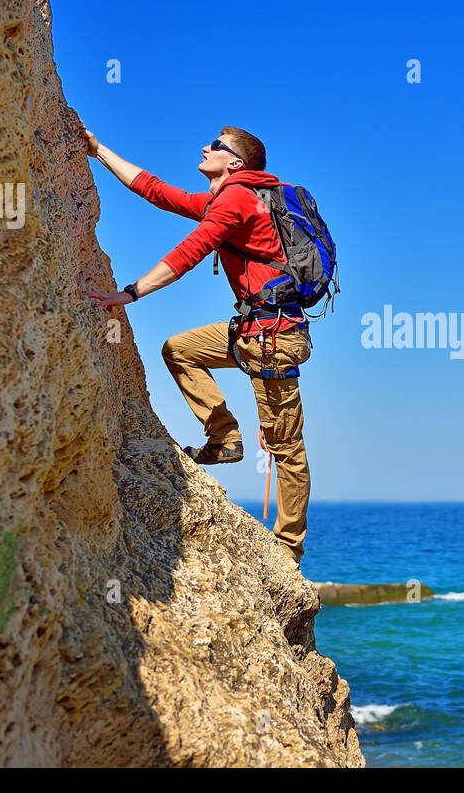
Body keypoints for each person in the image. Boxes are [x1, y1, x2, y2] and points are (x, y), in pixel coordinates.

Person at [83, 126, 313, 565]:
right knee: (179, 349)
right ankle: (224, 437)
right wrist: (99, 151)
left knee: (286, 447)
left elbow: (192, 250)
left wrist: (131, 293)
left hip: (273, 338)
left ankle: (288, 547)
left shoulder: (238, 198)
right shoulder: (228, 198)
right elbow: (156, 191)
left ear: (236, 164)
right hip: (251, 331)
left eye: (217, 145)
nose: (206, 147)